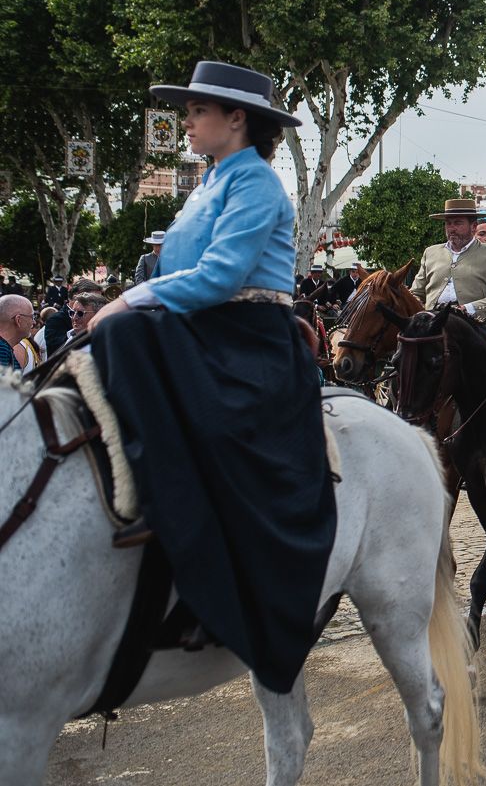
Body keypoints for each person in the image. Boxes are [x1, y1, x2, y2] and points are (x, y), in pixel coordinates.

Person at [81, 60, 335, 696]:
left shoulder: (257, 185)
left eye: (197, 111)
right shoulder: (209, 180)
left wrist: (128, 300)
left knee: (119, 331)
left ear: (237, 119)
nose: (187, 121)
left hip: (248, 340)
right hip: (203, 329)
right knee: (109, 344)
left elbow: (221, 278)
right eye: (189, 110)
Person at [410, 198, 486, 321]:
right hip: (433, 323)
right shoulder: (431, 252)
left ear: (473, 227)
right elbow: (416, 293)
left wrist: (469, 309)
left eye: (457, 223)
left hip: (476, 326)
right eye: (448, 223)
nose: (451, 228)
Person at [0, 294, 37, 372]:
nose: (34, 322)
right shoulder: (2, 350)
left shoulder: (5, 348)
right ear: (18, 320)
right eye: (32, 317)